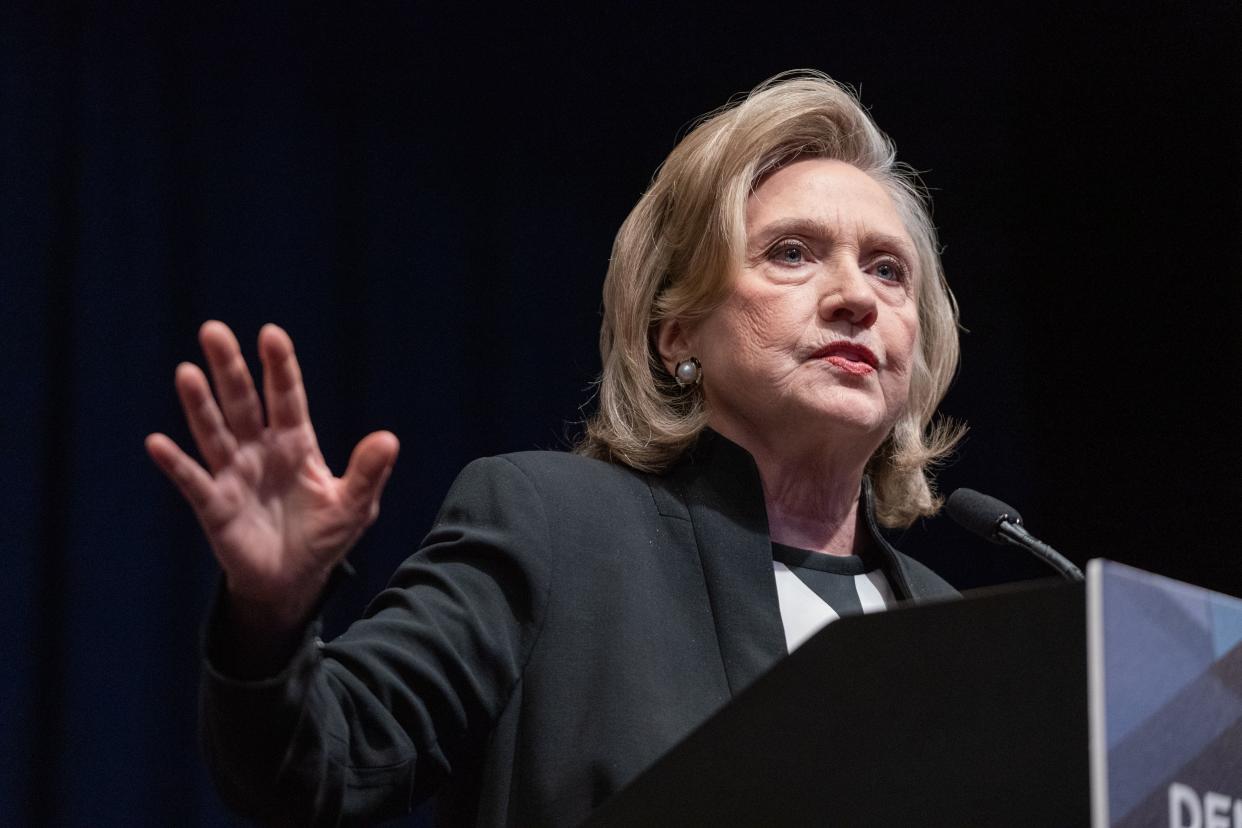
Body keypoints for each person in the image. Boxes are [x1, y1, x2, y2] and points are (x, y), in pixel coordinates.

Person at [146, 70, 964, 826]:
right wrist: (271, 619)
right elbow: (322, 759)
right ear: (676, 330)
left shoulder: (956, 627)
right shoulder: (556, 531)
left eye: (889, 271)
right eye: (792, 253)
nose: (856, 296)